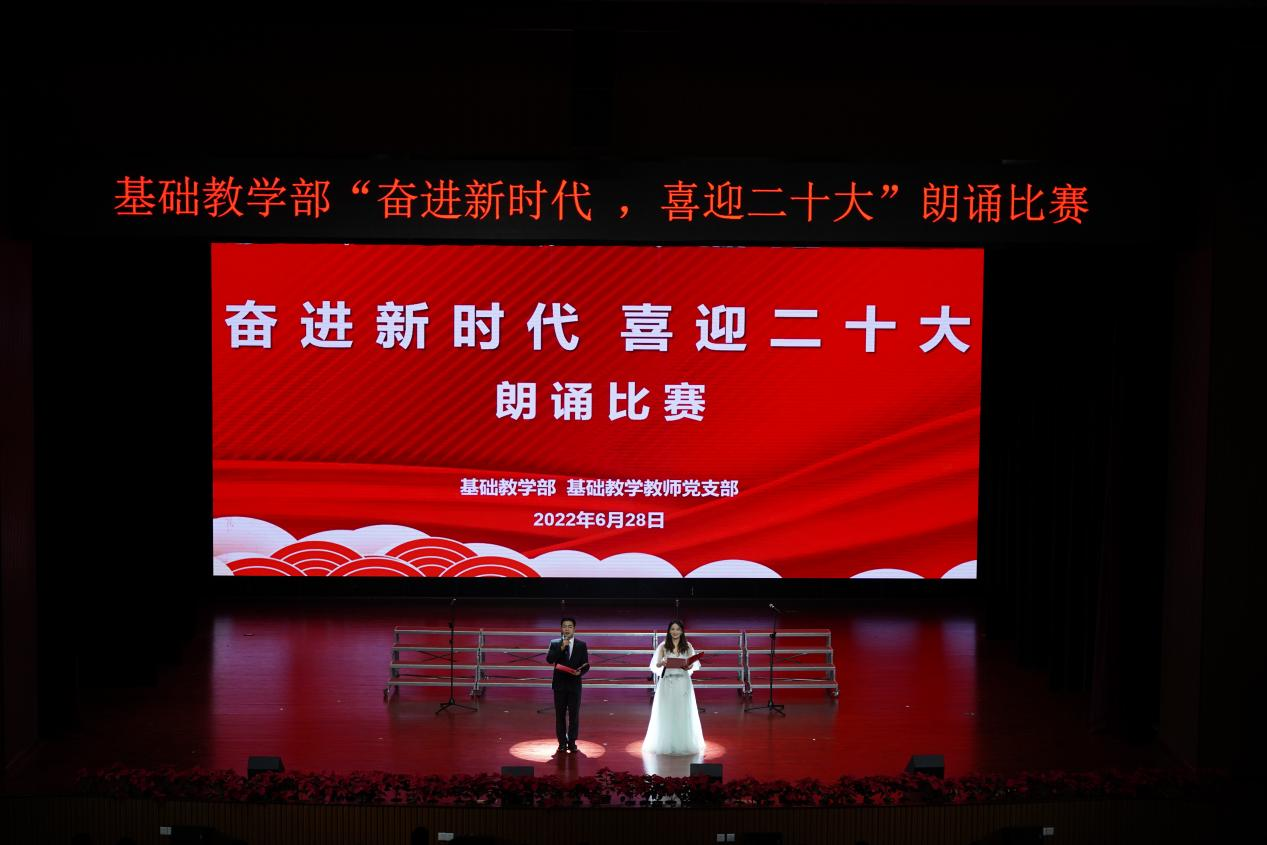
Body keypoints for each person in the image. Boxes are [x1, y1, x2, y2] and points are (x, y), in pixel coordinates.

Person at [643, 620, 705, 755]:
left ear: (682, 631)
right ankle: (666, 743)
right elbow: (656, 665)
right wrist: (662, 662)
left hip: (683, 681)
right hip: (667, 681)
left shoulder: (688, 646)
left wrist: (689, 665)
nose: (675, 632)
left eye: (677, 629)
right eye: (672, 629)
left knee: (682, 711)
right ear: (669, 631)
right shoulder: (663, 646)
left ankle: (683, 743)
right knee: (666, 711)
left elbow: (693, 664)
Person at [546, 616, 589, 753]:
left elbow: (586, 664)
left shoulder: (581, 645)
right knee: (560, 715)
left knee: (574, 715)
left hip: (574, 685)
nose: (567, 629)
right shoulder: (555, 643)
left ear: (574, 629)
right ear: (561, 628)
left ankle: (572, 742)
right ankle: (562, 743)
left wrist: (580, 672)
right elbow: (549, 659)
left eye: (570, 626)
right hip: (559, 685)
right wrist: (561, 647)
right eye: (564, 626)